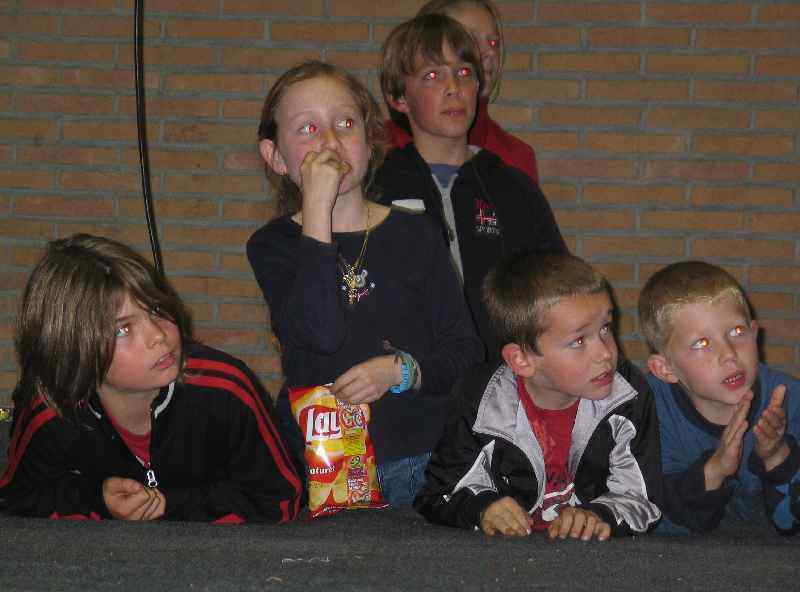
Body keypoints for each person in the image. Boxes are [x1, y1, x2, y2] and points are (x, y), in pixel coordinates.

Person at [247, 60, 483, 507]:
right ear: (275, 157)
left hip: (418, 458)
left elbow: (465, 351)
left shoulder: (416, 234)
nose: (331, 141)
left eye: (345, 123)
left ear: (369, 142)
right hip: (322, 464)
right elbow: (320, 333)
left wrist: (401, 371)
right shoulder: (272, 245)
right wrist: (317, 210)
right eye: (307, 129)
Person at [0, 234, 302, 523]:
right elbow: (16, 498)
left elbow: (282, 496)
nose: (158, 335)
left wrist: (169, 503)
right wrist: (96, 498)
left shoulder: (226, 389)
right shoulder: (50, 408)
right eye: (123, 329)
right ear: (72, 349)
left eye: (157, 309)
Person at [414, 252, 662, 540]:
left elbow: (642, 498)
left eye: (605, 328)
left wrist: (600, 515)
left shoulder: (627, 394)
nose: (606, 353)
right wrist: (481, 508)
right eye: (579, 340)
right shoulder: (480, 398)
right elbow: (438, 494)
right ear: (521, 360)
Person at [376, 13, 566, 361]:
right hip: (408, 386)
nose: (454, 88)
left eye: (464, 73)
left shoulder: (513, 188)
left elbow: (556, 297)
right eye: (432, 75)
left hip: (499, 385)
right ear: (398, 96)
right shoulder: (376, 188)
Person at [639, 260, 800, 534]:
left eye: (737, 332)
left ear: (754, 332)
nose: (729, 354)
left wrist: (776, 456)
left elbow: (793, 526)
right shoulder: (650, 410)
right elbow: (653, 528)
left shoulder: (788, 400)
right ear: (665, 369)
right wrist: (714, 470)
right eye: (702, 343)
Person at [386, 0, 539, 183]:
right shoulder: (379, 148)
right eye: (470, 39)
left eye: (493, 42)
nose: (490, 52)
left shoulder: (515, 157)